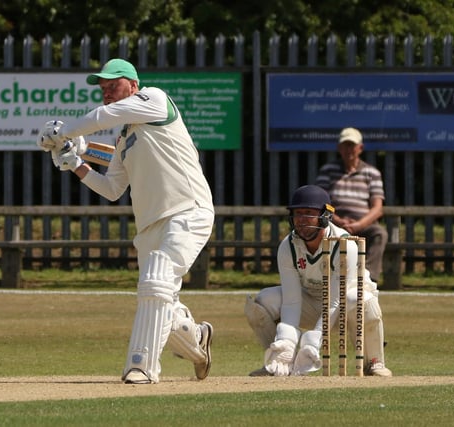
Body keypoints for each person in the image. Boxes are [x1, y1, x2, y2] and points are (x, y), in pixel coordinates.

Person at [36, 58, 214, 385]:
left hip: (189, 210)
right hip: (149, 227)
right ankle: (198, 341)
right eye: (102, 89)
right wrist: (75, 162)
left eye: (112, 85)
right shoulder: (123, 139)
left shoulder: (155, 99)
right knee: (161, 302)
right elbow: (112, 189)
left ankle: (141, 367)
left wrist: (63, 131)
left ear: (133, 85)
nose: (106, 93)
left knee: (156, 281)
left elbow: (105, 116)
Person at [244, 184, 392, 377]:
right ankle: (281, 361)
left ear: (325, 216)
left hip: (345, 308)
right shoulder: (288, 246)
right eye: (298, 213)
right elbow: (291, 301)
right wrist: (287, 342)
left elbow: (336, 300)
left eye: (308, 213)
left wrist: (314, 340)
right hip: (312, 301)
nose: (302, 220)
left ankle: (374, 362)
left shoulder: (345, 245)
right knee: (263, 301)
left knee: (360, 300)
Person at [315, 127, 388, 283]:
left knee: (379, 233)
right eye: (345, 145)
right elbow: (320, 204)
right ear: (339, 148)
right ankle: (321, 277)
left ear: (360, 148)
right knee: (317, 231)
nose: (349, 149)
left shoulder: (372, 172)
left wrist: (359, 225)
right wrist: (338, 221)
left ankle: (366, 279)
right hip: (333, 223)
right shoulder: (327, 171)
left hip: (363, 225)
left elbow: (377, 208)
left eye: (352, 145)